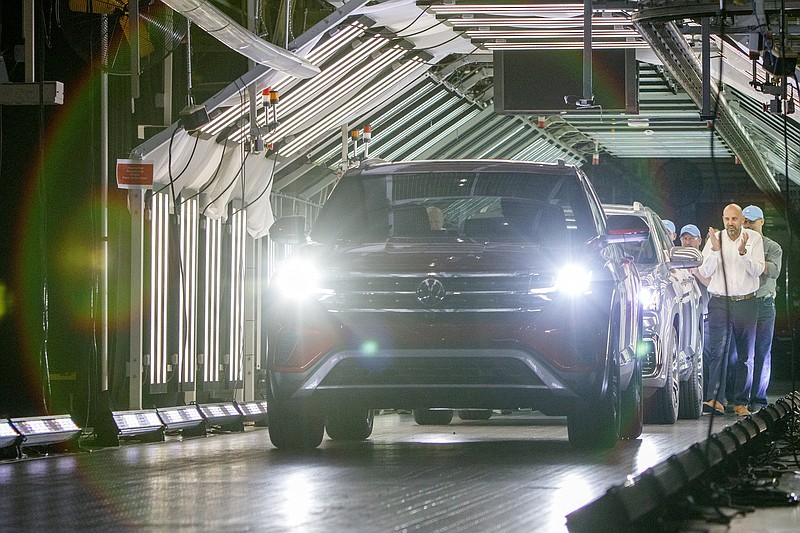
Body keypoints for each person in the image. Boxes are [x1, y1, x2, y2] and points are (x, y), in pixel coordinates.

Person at [697, 204, 765, 416]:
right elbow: (704, 270)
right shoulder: (716, 239)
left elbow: (757, 271)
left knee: (746, 355)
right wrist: (716, 251)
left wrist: (743, 252)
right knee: (718, 351)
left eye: (734, 219)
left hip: (746, 302)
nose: (730, 223)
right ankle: (714, 399)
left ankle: (740, 402)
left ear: (742, 220)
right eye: (726, 219)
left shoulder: (753, 239)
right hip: (720, 302)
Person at [741, 205, 783, 411]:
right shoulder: (737, 245)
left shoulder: (773, 247)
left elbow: (774, 271)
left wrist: (754, 260)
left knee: (762, 352)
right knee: (741, 355)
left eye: (752, 221)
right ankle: (739, 398)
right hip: (743, 303)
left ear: (762, 222)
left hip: (764, 304)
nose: (748, 225)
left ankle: (758, 399)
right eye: (745, 222)